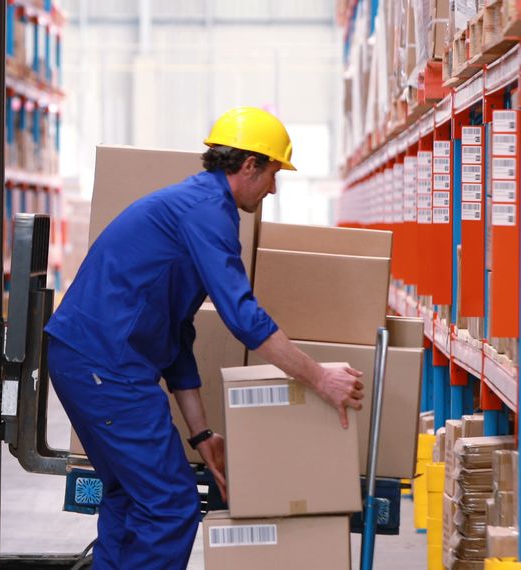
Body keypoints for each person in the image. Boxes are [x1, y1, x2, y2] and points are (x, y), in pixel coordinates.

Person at [45, 107, 365, 569]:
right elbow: (244, 317)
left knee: (130, 498)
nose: (274, 187)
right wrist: (319, 378)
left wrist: (201, 435)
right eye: (274, 173)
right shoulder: (207, 212)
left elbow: (178, 334)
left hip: (90, 360)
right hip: (105, 367)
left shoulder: (195, 205)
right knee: (170, 506)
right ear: (250, 165)